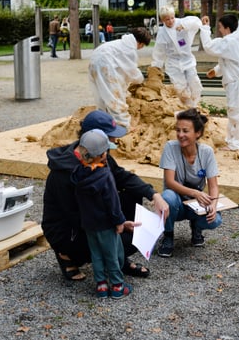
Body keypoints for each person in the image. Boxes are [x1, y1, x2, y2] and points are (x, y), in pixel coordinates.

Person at [42, 109, 169, 281]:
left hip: (91, 217)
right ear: (94, 137)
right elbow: (75, 215)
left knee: (131, 196)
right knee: (127, 240)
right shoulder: (65, 174)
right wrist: (118, 223)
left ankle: (118, 259)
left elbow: (122, 176)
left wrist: (154, 195)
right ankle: (67, 255)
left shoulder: (98, 154)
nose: (116, 140)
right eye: (111, 137)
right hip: (69, 230)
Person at [72, 129, 132, 299]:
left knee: (96, 254)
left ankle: (101, 286)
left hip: (89, 224)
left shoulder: (78, 174)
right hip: (106, 225)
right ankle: (117, 286)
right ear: (102, 155)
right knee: (112, 254)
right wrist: (119, 221)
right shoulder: (105, 176)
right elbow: (112, 202)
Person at [157, 108, 222, 258]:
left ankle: (196, 226)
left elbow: (213, 185)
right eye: (178, 130)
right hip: (177, 203)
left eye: (185, 131)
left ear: (197, 133)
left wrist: (213, 205)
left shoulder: (207, 152)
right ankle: (168, 235)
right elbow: (170, 181)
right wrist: (195, 192)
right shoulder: (170, 148)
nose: (180, 135)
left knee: (215, 220)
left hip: (195, 203)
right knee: (167, 196)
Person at [200, 14, 239, 151]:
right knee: (233, 111)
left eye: (221, 27)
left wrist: (205, 28)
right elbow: (233, 63)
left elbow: (208, 47)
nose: (220, 30)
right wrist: (216, 71)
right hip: (236, 83)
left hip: (236, 84)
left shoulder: (229, 42)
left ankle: (237, 143)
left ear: (227, 28)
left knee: (236, 113)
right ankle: (232, 140)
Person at [88, 27, 151, 130]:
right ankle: (123, 125)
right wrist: (141, 79)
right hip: (104, 64)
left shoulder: (120, 43)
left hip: (94, 60)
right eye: (142, 45)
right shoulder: (130, 49)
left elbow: (121, 70)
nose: (141, 48)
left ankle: (102, 120)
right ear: (140, 43)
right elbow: (132, 71)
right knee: (114, 97)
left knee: (102, 95)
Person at [151, 5, 203, 108]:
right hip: (173, 62)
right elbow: (159, 51)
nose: (171, 21)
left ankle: (196, 105)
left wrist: (185, 26)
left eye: (172, 18)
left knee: (195, 82)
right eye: (167, 19)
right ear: (162, 20)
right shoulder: (162, 32)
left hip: (187, 59)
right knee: (180, 87)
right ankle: (187, 108)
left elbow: (197, 22)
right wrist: (156, 66)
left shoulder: (182, 22)